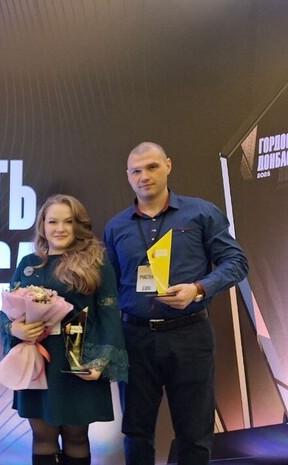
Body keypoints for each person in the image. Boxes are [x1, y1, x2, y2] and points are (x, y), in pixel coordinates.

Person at [103, 142, 248, 465]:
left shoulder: (201, 213)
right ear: (128, 176)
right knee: (136, 432)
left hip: (190, 336)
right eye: (136, 171)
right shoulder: (116, 226)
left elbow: (236, 262)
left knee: (194, 433)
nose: (144, 176)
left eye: (152, 167)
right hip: (135, 339)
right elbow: (109, 288)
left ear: (168, 165)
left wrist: (198, 289)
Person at [2, 194, 128, 465]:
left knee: (77, 437)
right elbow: (7, 314)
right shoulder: (28, 264)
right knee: (42, 437)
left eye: (68, 221)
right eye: (53, 221)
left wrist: (100, 361)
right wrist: (16, 329)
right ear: (42, 226)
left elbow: (109, 316)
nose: (60, 228)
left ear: (78, 225)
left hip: (79, 357)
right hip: (36, 359)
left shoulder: (96, 262)